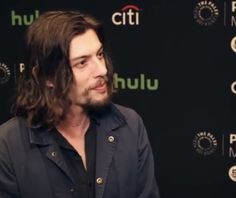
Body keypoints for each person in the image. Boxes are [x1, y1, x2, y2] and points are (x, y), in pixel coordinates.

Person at [0, 10, 160, 198]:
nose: (103, 70)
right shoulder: (8, 147)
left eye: (100, 55)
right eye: (82, 63)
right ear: (46, 76)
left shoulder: (130, 125)